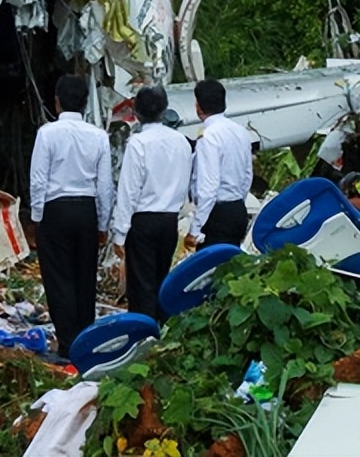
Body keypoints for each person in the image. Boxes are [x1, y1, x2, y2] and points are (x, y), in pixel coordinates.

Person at [28, 75, 114, 359]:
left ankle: (67, 343)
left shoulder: (47, 134)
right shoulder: (99, 136)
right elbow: (105, 186)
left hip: (55, 209)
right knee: (85, 276)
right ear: (85, 103)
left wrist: (37, 217)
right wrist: (102, 223)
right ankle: (86, 340)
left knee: (59, 277)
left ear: (57, 102)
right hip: (86, 209)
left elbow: (38, 180)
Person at [111, 86, 192, 322]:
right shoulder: (181, 141)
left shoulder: (138, 143)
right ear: (165, 110)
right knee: (161, 279)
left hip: (143, 220)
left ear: (136, 112)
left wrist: (120, 233)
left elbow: (129, 190)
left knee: (141, 286)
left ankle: (143, 332)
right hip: (169, 219)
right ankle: (163, 330)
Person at [185, 79, 252, 251]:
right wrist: (237, 203)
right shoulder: (241, 132)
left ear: (198, 107)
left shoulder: (209, 136)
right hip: (237, 208)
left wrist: (195, 228)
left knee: (210, 264)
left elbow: (208, 186)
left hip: (216, 214)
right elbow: (247, 176)